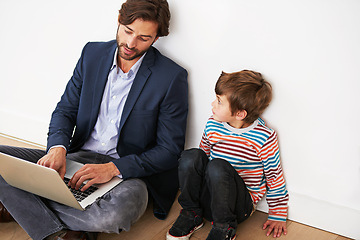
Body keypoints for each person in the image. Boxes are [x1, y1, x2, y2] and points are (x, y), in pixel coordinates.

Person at [0, 0, 188, 239]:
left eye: (144, 38)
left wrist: (113, 168)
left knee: (115, 215)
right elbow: (65, 110)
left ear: (156, 38)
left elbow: (169, 150)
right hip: (76, 158)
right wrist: (57, 148)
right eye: (128, 31)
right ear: (119, 20)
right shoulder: (92, 54)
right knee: (2, 161)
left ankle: (18, 206)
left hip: (126, 173)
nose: (131, 44)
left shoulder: (171, 77)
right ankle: (59, 233)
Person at [166, 70, 289, 240]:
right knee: (191, 156)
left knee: (217, 166)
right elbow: (200, 162)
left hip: (237, 206)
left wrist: (278, 214)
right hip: (208, 198)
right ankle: (191, 214)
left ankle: (225, 227)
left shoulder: (264, 137)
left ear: (240, 113)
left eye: (219, 102)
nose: (212, 105)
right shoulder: (213, 124)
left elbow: (274, 176)